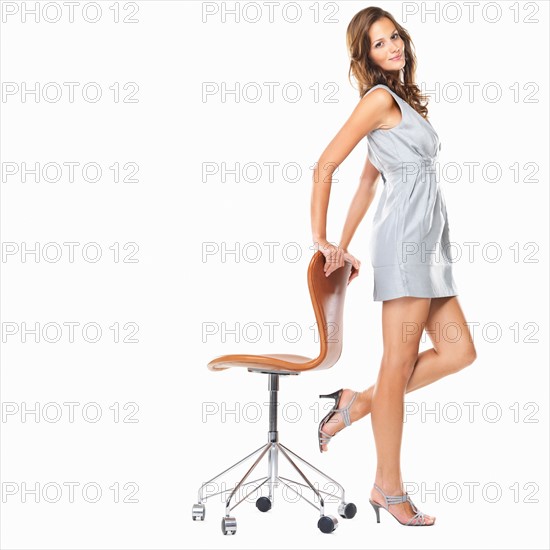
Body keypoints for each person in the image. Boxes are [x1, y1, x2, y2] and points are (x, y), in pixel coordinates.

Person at [310, 7, 477, 526]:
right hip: (405, 243)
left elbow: (366, 181)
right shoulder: (377, 99)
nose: (393, 47)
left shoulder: (399, 101)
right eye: (380, 44)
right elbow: (326, 165)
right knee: (398, 364)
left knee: (459, 352)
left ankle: (354, 405)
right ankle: (388, 487)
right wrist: (323, 240)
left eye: (395, 37)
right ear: (366, 56)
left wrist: (343, 241)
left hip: (430, 242)